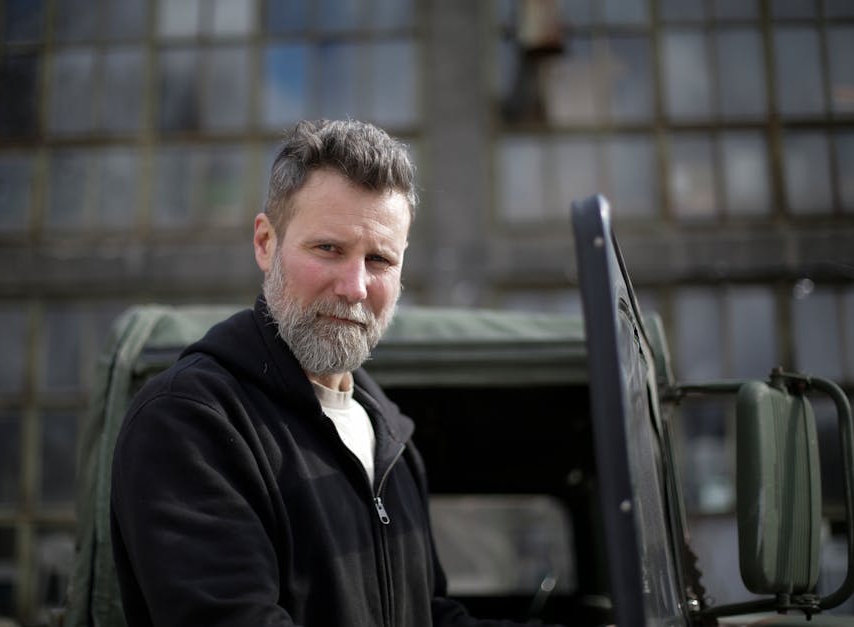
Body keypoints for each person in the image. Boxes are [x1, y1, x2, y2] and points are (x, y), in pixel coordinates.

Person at [110, 119, 542, 626]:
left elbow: (428, 615)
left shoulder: (391, 441)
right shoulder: (191, 422)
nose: (355, 287)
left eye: (379, 259)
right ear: (266, 243)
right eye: (328, 249)